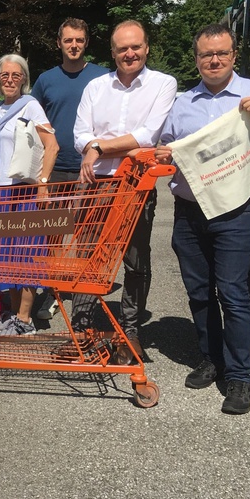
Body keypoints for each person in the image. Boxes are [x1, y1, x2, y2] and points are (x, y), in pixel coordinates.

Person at [156, 23, 250, 414]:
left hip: (237, 210)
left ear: (234, 55)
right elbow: (165, 149)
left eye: (221, 53)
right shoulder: (183, 103)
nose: (214, 60)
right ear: (197, 59)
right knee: (199, 292)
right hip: (190, 211)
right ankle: (212, 359)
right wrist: (163, 155)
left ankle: (239, 377)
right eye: (206, 55)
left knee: (233, 293)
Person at [74, 20, 177, 363]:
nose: (129, 53)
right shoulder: (95, 87)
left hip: (136, 185)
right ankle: (83, 327)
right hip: (96, 185)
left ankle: (130, 330)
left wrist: (98, 148)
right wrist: (94, 146)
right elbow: (79, 134)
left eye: (136, 47)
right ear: (113, 52)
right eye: (122, 49)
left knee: (135, 261)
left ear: (147, 48)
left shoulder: (164, 84)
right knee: (89, 257)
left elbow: (148, 135)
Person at [0, 54, 59, 336]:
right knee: (6, 257)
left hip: (22, 190)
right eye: (5, 75)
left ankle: (26, 320)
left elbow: (51, 145)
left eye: (16, 75)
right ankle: (15, 315)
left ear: (24, 80)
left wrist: (42, 185)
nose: (10, 80)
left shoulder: (30, 106)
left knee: (26, 254)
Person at [30, 17, 108, 320]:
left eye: (79, 40)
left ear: (86, 42)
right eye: (68, 40)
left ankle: (84, 300)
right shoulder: (46, 79)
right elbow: (34, 121)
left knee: (88, 235)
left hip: (93, 169)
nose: (73, 45)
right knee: (52, 236)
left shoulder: (103, 77)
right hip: (56, 168)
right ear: (58, 43)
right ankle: (52, 291)